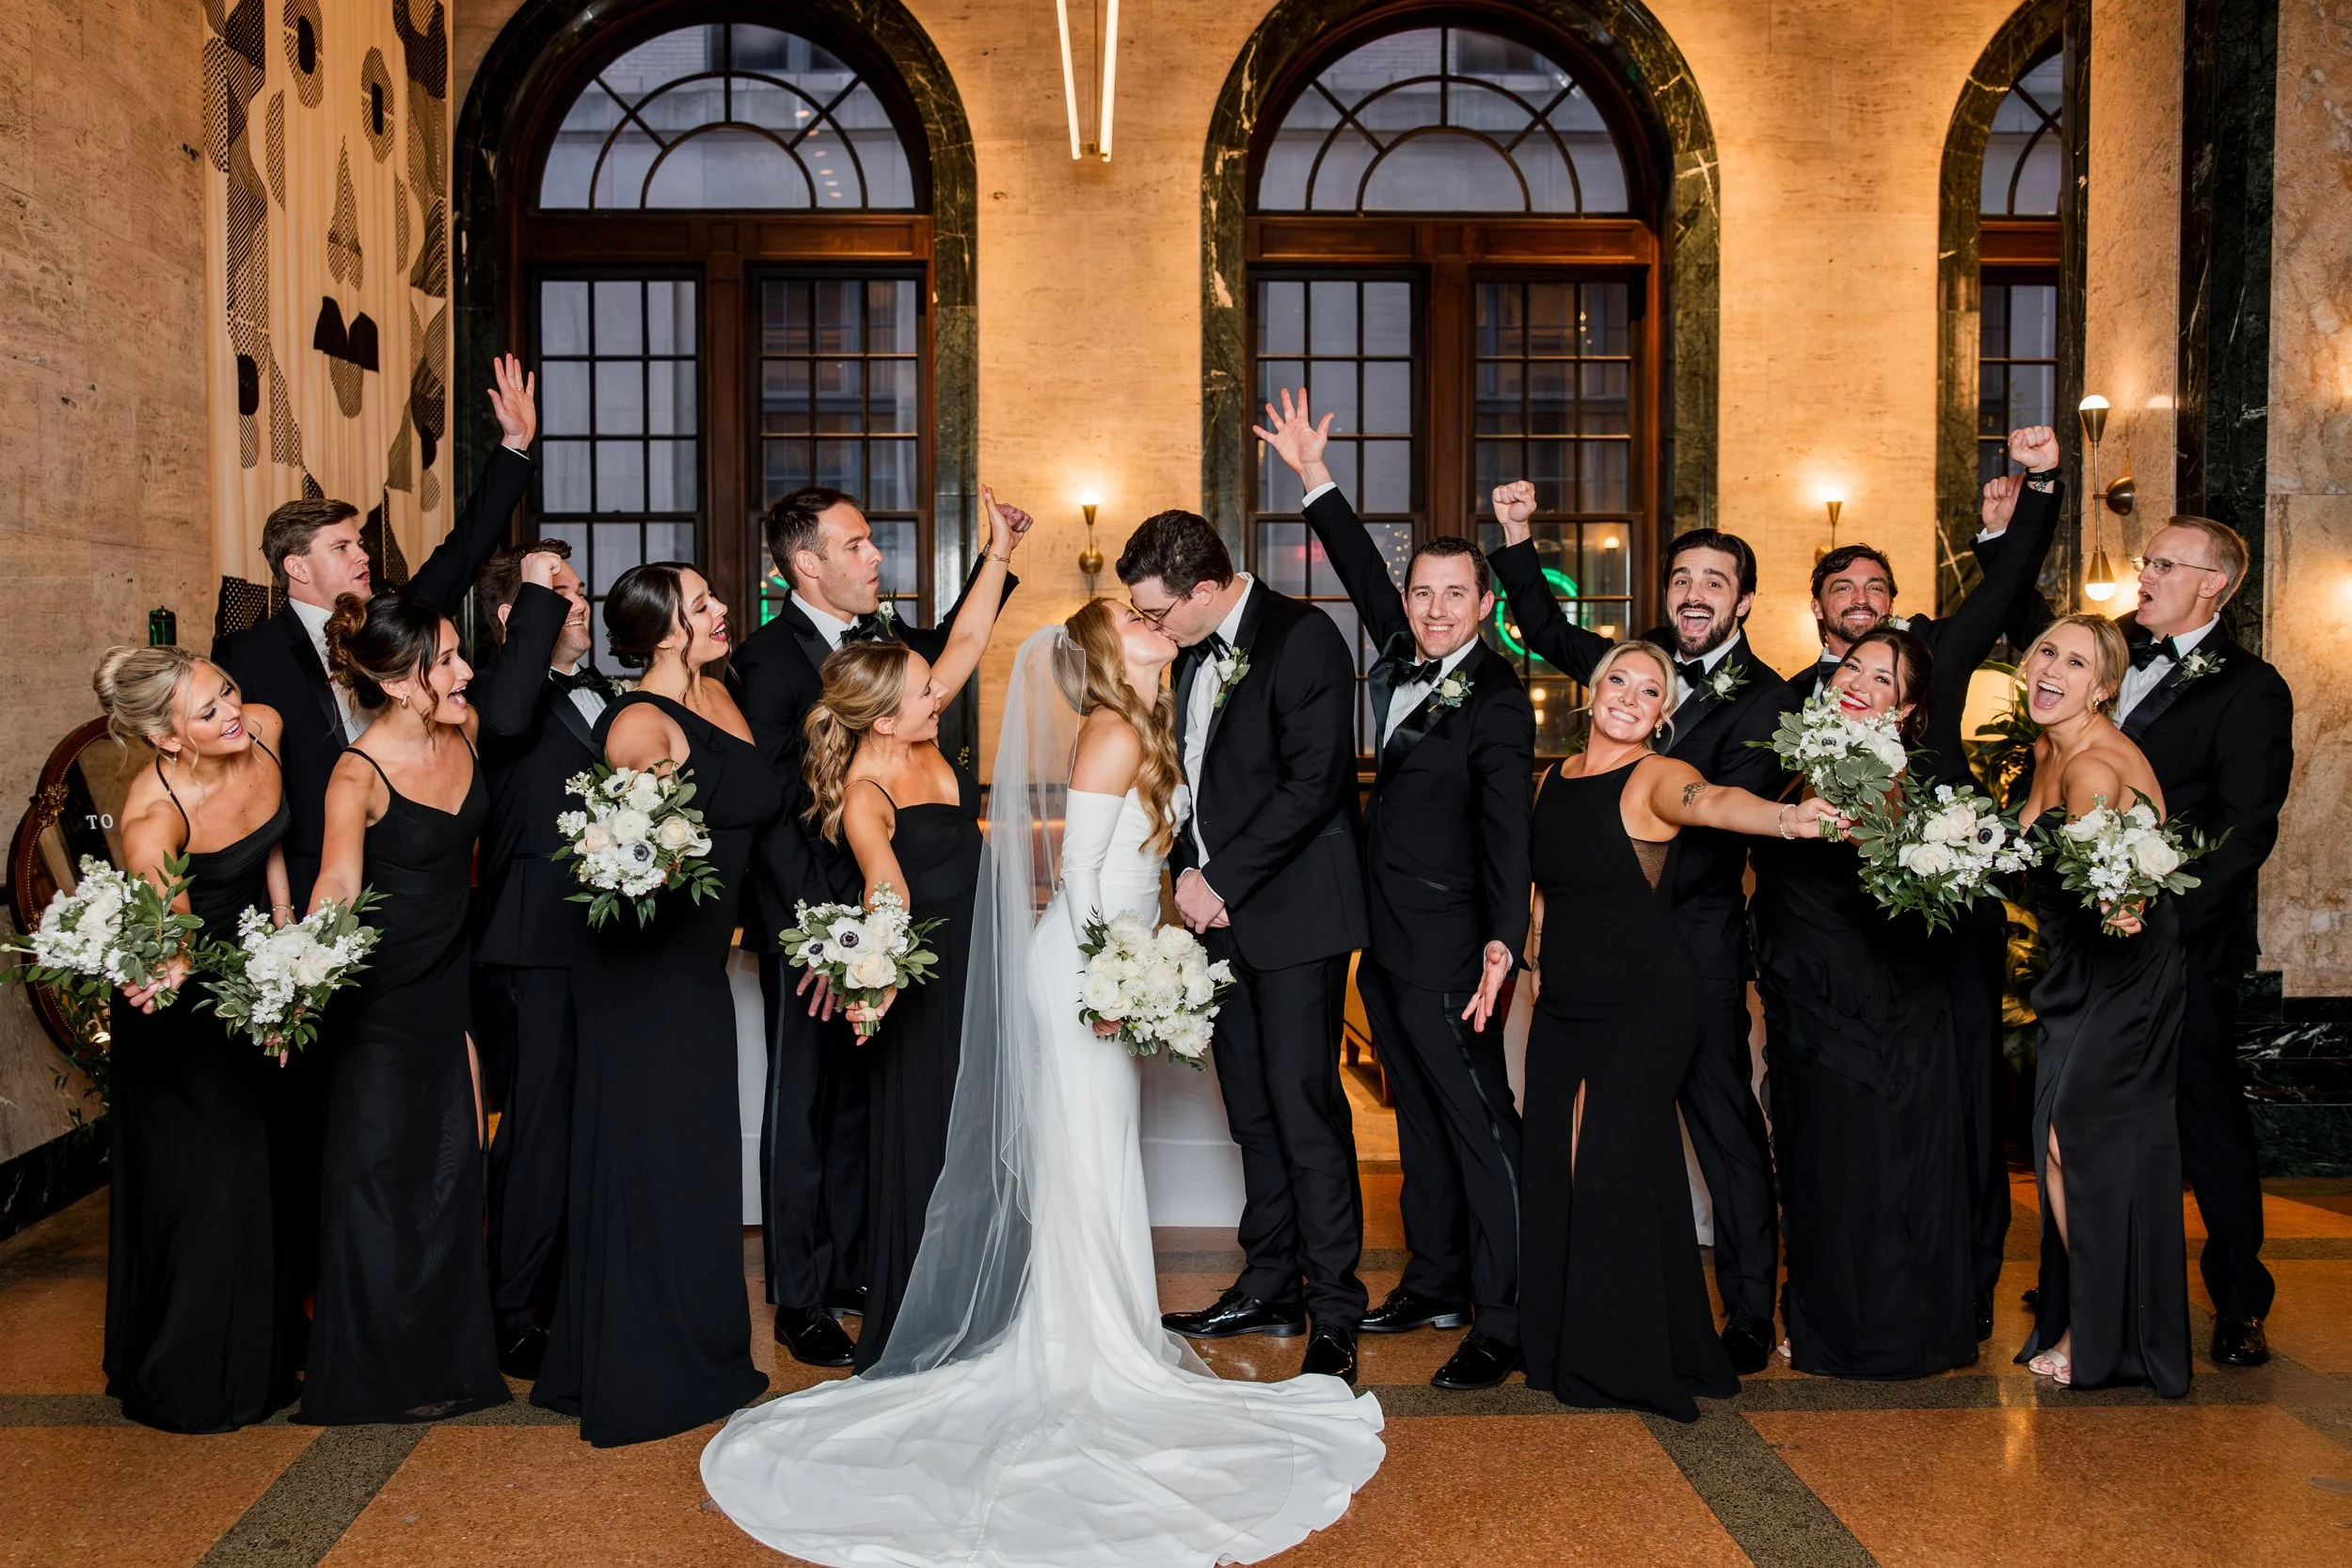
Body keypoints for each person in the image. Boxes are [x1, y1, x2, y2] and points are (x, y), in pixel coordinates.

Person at [700, 609, 1385, 1568]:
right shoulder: (1105, 732)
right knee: (1078, 1153)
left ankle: (1099, 1330)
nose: (1158, 624)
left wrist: (1150, 954)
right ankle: (1077, 1347)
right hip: (1084, 966)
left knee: (1093, 1155)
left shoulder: (1140, 720)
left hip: (1106, 957)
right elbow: (1070, 879)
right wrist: (1120, 969)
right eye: (1139, 620)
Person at [210, 354, 535, 1342]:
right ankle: (328, 1304)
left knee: (440, 1125)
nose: (364, 555)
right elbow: (242, 793)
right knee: (335, 1129)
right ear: (295, 564)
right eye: (345, 545)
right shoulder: (247, 658)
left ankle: (437, 1301)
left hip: (430, 891)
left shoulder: (402, 630)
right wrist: (283, 934)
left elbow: (463, 546)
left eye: (361, 542)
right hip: (325, 901)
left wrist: (515, 450)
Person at [1261, 389, 1532, 1391]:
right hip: (1386, 939)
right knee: (1416, 1118)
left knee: (1479, 1125)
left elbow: (1510, 835)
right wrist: (1314, 477)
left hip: (1454, 947)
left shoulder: (1494, 700)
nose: (1431, 607)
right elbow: (1360, 572)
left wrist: (1503, 944)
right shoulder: (1396, 654)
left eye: (1453, 594)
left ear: (1484, 603)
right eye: (1422, 591)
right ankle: (1437, 1277)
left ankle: (1505, 1317)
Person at [1489, 482, 1787, 1375]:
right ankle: (1589, 1311)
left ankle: (1745, 1311)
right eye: (1682, 577)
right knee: (1602, 1143)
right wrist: (1515, 536)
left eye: (1715, 580)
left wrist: (1631, 866)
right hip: (1594, 963)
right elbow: (1542, 625)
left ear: (1742, 600)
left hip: (1688, 950)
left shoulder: (1766, 699)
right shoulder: (1633, 666)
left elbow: (1722, 807)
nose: (1696, 592)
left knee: (1724, 1128)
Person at [1994, 515, 2294, 1368]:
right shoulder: (2106, 652)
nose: (2145, 574)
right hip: (2090, 952)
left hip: (2176, 944)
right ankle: (2092, 1282)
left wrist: (2147, 918)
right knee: (2084, 1126)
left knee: (2200, 1118)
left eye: (2165, 564)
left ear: (2215, 584)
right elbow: (2039, 658)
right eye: (2146, 559)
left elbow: (2245, 828)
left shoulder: (2249, 687)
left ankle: (2238, 1298)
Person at [734, 486, 1022, 1368]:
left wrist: (999, 553)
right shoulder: (764, 662)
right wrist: (827, 937)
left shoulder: (884, 657)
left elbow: (963, 645)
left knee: (877, 1106)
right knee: (806, 1109)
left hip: (902, 920)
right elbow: (770, 814)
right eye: (858, 545)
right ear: (806, 563)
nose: (876, 558)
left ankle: (867, 1262)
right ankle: (802, 1292)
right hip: (816, 920)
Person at [1522, 641, 1844, 1422]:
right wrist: (1531, 956)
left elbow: (1716, 801)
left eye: (1651, 690)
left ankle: (1623, 1358)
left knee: (1611, 1171)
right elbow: (1549, 891)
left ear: (1663, 713)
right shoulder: (1551, 782)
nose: (1631, 696)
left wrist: (1788, 819)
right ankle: (1570, 1340)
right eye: (1619, 681)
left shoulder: (1657, 777)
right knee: (1555, 1166)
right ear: (1592, 690)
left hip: (1645, 1003)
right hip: (1563, 1004)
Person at [1801, 427, 2067, 1337]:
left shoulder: (1933, 667)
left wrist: (2038, 487)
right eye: (1846, 589)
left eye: (1879, 587)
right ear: (1821, 612)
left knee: (1959, 1107)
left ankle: (1967, 1277)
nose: (1865, 601)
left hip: (1945, 940)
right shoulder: (1798, 703)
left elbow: (2004, 586)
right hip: (1843, 960)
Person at [1121, 511, 1372, 1384]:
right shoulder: (1189, 649)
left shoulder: (1305, 638)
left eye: (1157, 613)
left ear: (1202, 589)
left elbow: (1315, 785)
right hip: (1214, 919)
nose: (1150, 627)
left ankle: (1337, 1307)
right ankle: (1271, 1281)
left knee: (1306, 1109)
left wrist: (1218, 879)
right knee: (1253, 1112)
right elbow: (1197, 781)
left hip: (1294, 916)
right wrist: (1191, 878)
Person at [532, 563, 777, 1446]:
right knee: (652, 1156)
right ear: (667, 630)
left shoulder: (721, 698)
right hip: (645, 974)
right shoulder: (640, 719)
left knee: (697, 1157)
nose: (722, 613)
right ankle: (644, 1369)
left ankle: (704, 1352)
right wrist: (643, 846)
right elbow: (619, 842)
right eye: (705, 604)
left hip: (696, 966)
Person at [298, 592, 505, 1424]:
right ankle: (374, 1369)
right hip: (379, 993)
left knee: (454, 1165)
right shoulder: (357, 774)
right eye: (445, 661)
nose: (463, 672)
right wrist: (299, 960)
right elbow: (339, 883)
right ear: (392, 680)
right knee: (380, 1174)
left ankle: (446, 1357)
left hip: (450, 978)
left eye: (458, 654)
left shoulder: (467, 730)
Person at [1752, 626, 1979, 1381]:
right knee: (1816, 1162)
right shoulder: (1809, 754)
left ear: (1908, 708)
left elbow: (1886, 882)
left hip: (1860, 1005)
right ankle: (1822, 1315)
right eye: (1855, 665)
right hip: (1804, 996)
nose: (1861, 681)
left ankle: (1869, 1333)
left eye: (1884, 679)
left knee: (1861, 1165)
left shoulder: (1883, 770)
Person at [93, 647, 298, 1433]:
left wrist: (288, 954)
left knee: (265, 1171)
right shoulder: (154, 817)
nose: (232, 713)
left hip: (257, 980)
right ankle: (190, 1375)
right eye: (208, 712)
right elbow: (167, 938)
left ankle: (260, 1358)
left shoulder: (267, 729)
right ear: (169, 739)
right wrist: (169, 962)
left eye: (228, 691)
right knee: (212, 1187)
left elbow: (272, 842)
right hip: (183, 1011)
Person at [2010, 614, 2190, 1395]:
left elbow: (2113, 879)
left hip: (2125, 977)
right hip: (2075, 976)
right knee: (2061, 1141)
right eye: (2046, 651)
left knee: (2071, 1145)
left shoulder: (2091, 767)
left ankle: (2101, 1332)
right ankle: (2095, 1318)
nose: (2051, 669)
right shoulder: (2050, 745)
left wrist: (2120, 897)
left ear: (2105, 686)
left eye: (2075, 662)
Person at [469, 541, 609, 1380]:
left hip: (596, 938)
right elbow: (513, 718)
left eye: (581, 589)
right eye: (559, 593)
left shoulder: (599, 692)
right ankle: (511, 1307)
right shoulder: (495, 692)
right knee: (534, 1129)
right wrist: (532, 594)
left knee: (581, 1123)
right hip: (528, 941)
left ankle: (564, 1289)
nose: (579, 604)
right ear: (513, 615)